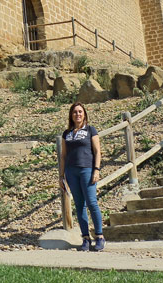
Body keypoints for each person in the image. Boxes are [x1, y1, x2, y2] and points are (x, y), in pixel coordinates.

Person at [59, 102, 105, 252]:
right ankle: (85, 238)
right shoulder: (67, 134)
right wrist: (61, 176)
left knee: (92, 202)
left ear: (84, 114)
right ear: (71, 115)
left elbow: (97, 151)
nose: (77, 114)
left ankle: (99, 236)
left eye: (80, 112)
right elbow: (63, 156)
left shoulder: (91, 130)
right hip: (71, 172)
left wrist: (96, 170)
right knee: (79, 205)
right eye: (74, 112)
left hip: (87, 169)